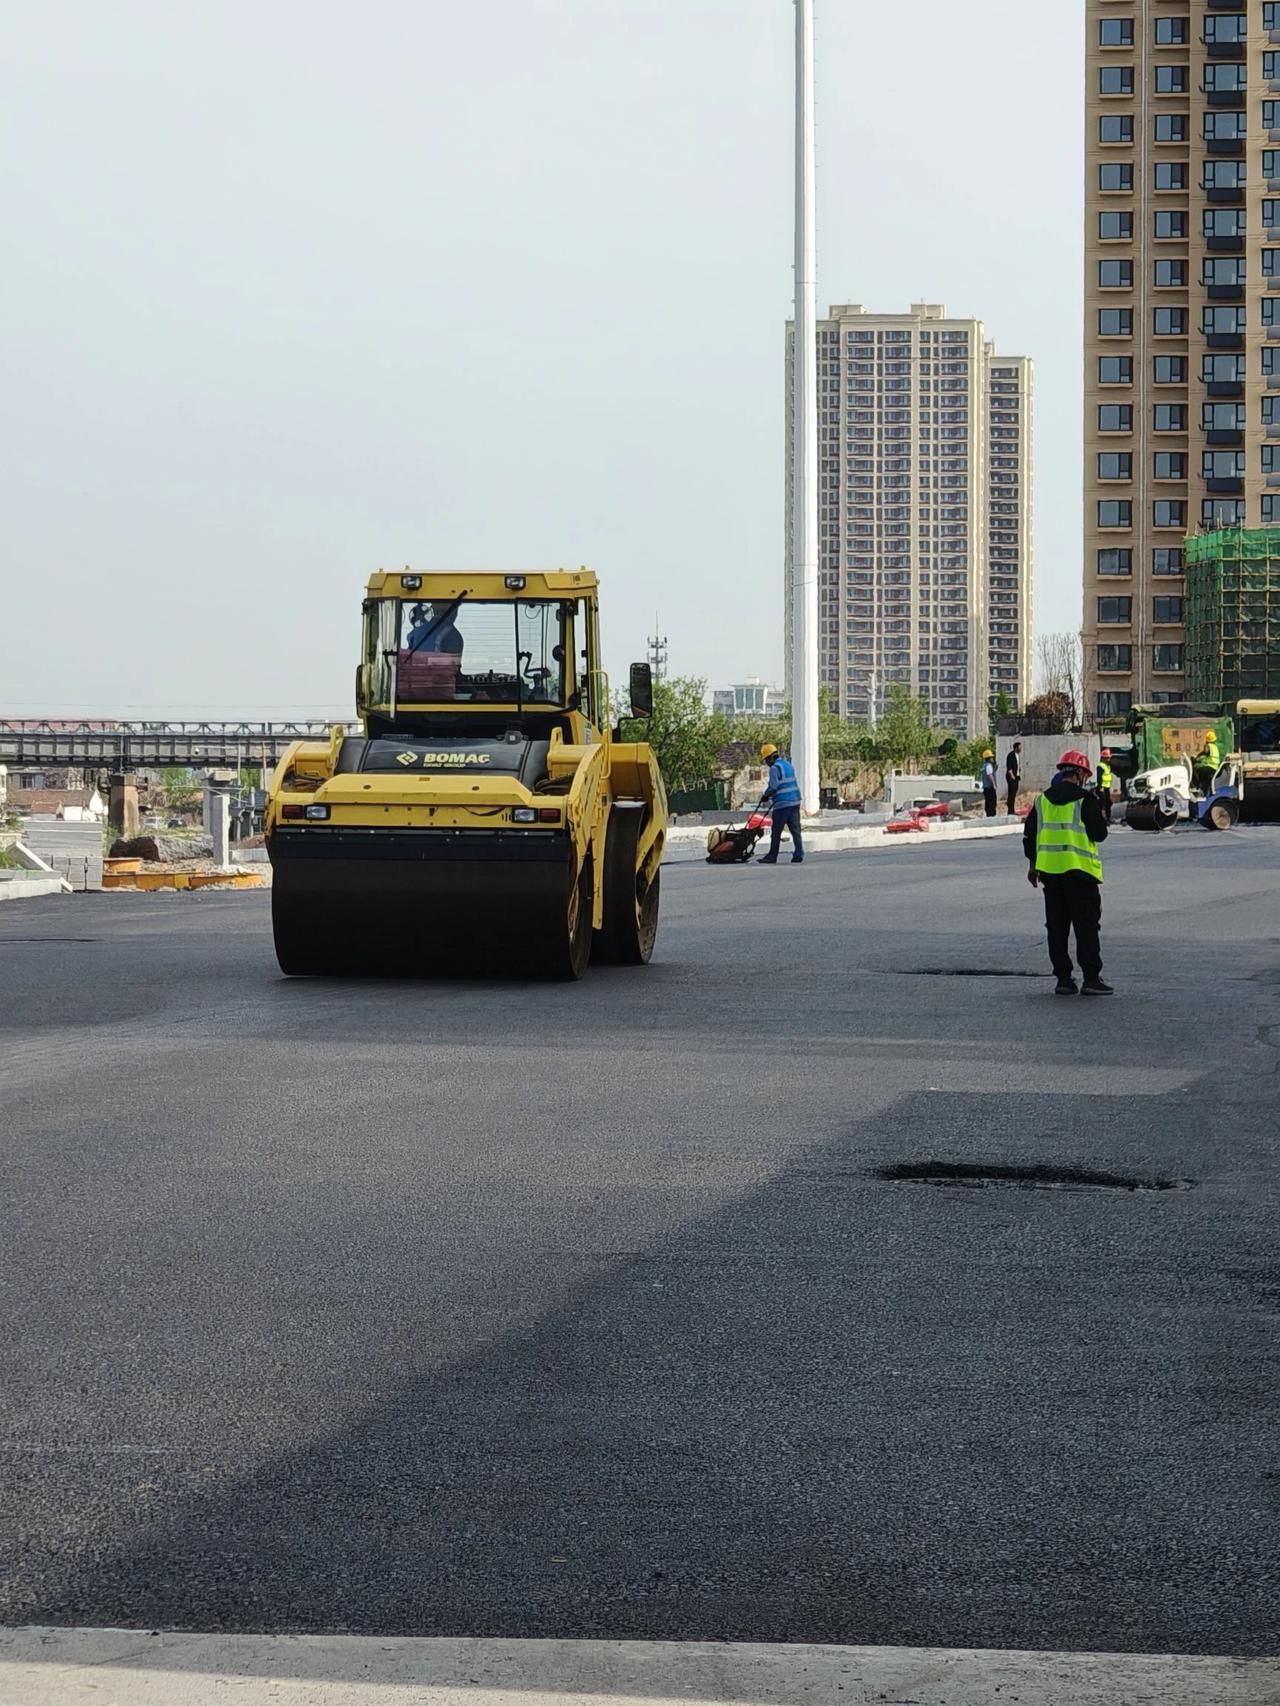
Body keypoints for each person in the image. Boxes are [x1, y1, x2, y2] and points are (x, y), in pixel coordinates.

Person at [1023, 748, 1112, 997]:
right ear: (1082, 774)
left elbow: (1030, 836)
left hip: (1050, 876)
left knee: (1057, 928)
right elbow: (1099, 834)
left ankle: (1063, 979)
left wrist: (1032, 866)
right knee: (1086, 928)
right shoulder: (1086, 800)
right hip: (1081, 874)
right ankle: (1091, 979)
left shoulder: (1042, 800)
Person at [757, 742, 804, 864]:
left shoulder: (774, 768)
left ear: (771, 757)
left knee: (776, 831)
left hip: (782, 804)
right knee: (795, 830)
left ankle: (772, 856)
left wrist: (765, 796)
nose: (767, 763)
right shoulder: (788, 765)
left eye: (767, 760)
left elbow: (774, 786)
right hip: (795, 801)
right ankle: (799, 853)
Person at [1095, 748, 1114, 823]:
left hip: (1106, 787)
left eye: (1109, 757)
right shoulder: (1101, 766)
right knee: (1103, 803)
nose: (1109, 759)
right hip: (1102, 787)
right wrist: (1100, 787)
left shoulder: (1107, 766)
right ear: (1103, 758)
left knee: (1108, 803)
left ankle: (1108, 818)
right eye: (1107, 758)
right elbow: (1099, 777)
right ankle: (1102, 818)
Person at [1005, 741, 1022, 816]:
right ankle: (1010, 811)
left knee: (1014, 794)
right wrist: (1012, 777)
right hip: (1012, 777)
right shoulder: (1011, 755)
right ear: (1016, 748)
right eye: (1020, 747)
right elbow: (1009, 768)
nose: (1021, 749)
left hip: (1016, 777)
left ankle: (1012, 809)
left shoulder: (1017, 755)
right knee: (1011, 794)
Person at [980, 748, 998, 817]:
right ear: (989, 758)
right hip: (990, 787)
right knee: (992, 801)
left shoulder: (984, 766)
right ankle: (992, 814)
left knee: (988, 802)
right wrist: (994, 785)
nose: (993, 759)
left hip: (986, 788)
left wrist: (995, 769)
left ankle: (988, 814)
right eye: (992, 757)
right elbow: (990, 776)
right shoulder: (989, 766)